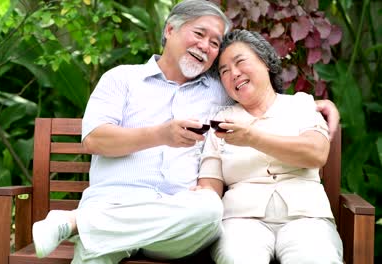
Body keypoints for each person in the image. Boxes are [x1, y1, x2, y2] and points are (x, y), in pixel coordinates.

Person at [31, 1, 341, 263]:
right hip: (113, 208)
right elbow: (94, 140)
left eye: (214, 42)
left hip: (179, 222)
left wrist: (316, 104)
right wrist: (160, 135)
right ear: (169, 30)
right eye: (199, 34)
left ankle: (73, 223)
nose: (206, 47)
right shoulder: (121, 79)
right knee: (96, 251)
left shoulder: (218, 94)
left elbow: (259, 94)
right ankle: (90, 227)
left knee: (207, 209)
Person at [195, 29, 343, 264]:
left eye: (240, 61)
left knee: (315, 257)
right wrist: (201, 196)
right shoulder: (220, 120)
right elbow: (210, 184)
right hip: (240, 222)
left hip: (307, 219)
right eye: (224, 71)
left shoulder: (301, 105)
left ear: (265, 62)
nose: (233, 73)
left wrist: (252, 138)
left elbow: (315, 153)